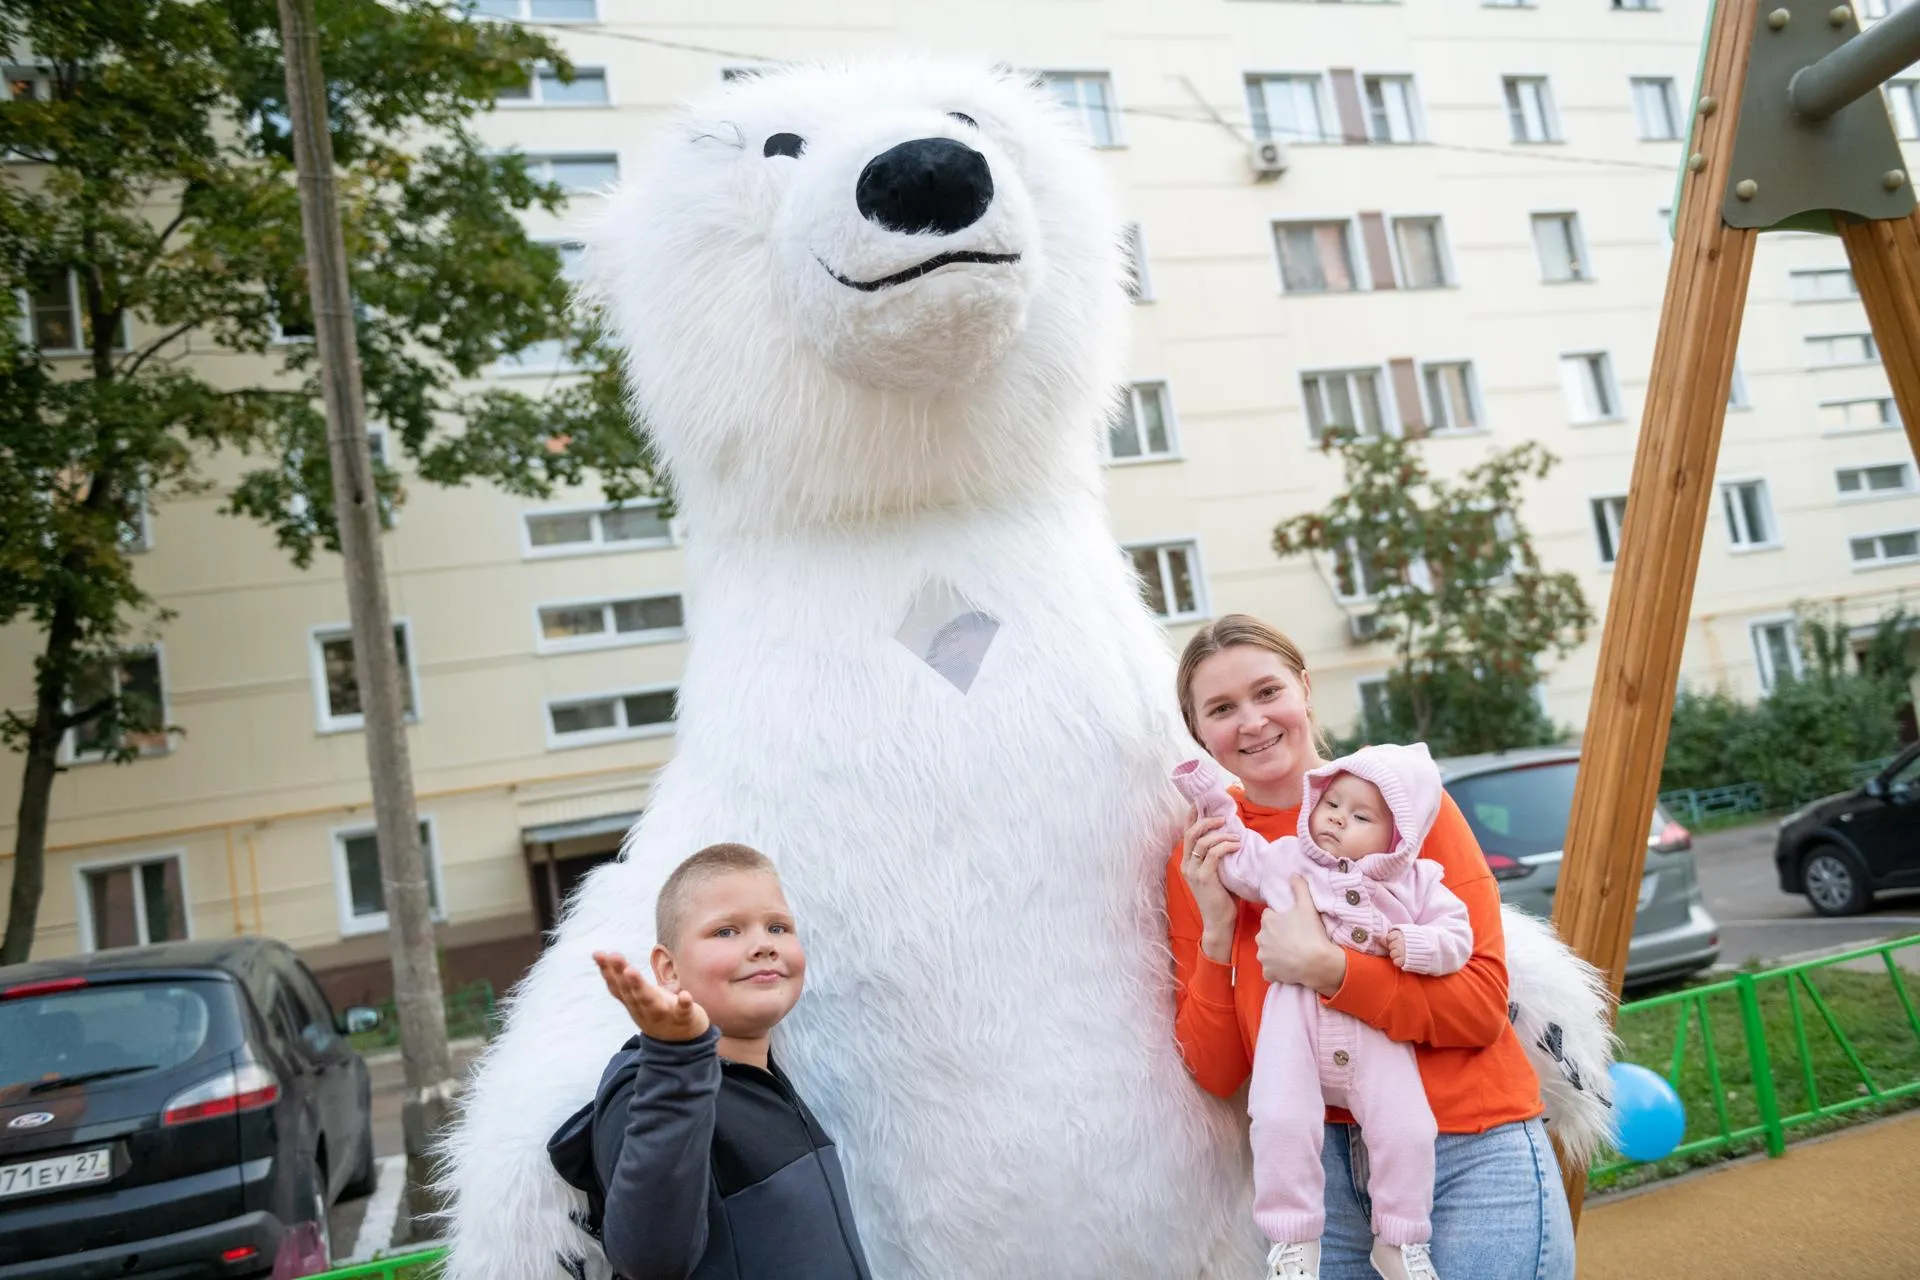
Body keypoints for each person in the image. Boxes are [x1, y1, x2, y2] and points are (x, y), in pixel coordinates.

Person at [1167, 615, 1576, 1280]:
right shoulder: (1205, 857)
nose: (1252, 722)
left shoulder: (1404, 809)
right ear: (1198, 732)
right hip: (1315, 1183)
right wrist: (1217, 929)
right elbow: (1215, 1072)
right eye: (1221, 708)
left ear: (1303, 690)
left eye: (1267, 692)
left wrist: (1330, 970)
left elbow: (1477, 1008)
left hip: (1467, 1142)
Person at [1171, 745, 1472, 1280]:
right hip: (1294, 1024)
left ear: (1397, 838)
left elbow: (1457, 937)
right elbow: (1238, 851)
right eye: (1332, 803)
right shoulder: (1288, 858)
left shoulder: (1417, 881)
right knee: (1279, 1118)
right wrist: (1206, 793)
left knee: (1407, 1129)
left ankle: (1400, 1241)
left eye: (1361, 816)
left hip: (1375, 1034)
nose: (1337, 818)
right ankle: (1293, 1243)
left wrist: (1417, 943)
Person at [546, 843, 872, 1280]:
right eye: (726, 931)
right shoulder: (649, 1087)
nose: (762, 945)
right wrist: (676, 1058)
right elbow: (650, 1259)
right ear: (668, 968)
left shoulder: (773, 1085)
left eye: (778, 927)